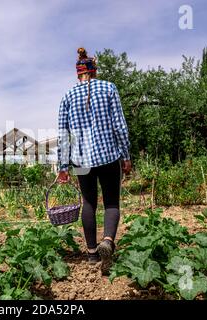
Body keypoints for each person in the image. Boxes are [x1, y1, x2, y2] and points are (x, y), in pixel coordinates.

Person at [56, 47, 131, 275]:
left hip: (81, 162)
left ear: (77, 73)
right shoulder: (109, 88)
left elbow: (63, 134)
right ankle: (107, 241)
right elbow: (119, 125)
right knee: (111, 203)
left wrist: (63, 166)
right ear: (94, 70)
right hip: (108, 156)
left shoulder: (67, 96)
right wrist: (126, 155)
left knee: (89, 203)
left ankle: (91, 253)